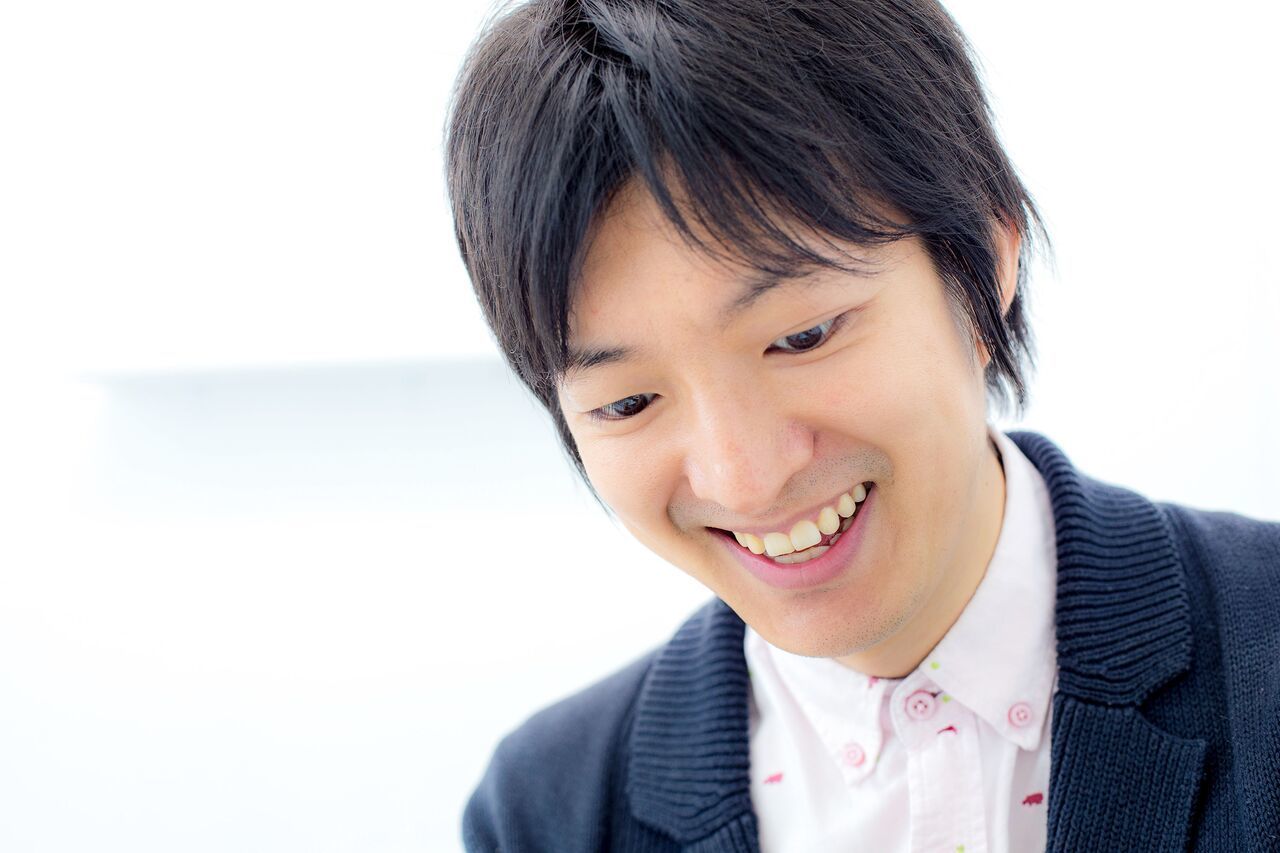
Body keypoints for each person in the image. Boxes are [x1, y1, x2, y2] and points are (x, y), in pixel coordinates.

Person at [444, 1, 1280, 850]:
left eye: (803, 337)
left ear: (986, 259)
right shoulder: (544, 814)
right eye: (628, 403)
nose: (745, 478)